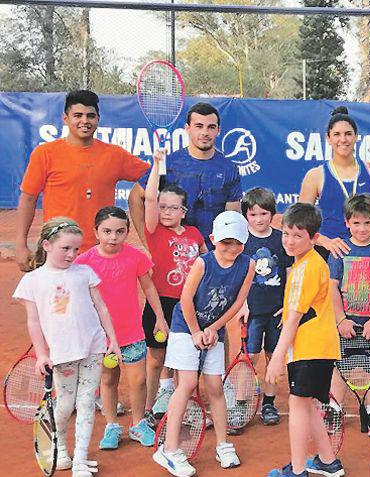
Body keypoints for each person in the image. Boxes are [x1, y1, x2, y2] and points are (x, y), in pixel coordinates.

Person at [13, 217, 121, 477]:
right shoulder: (33, 280)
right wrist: (41, 354)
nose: (72, 254)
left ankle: (81, 459)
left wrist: (113, 340)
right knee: (64, 405)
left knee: (86, 403)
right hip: (61, 353)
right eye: (66, 249)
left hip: (94, 346)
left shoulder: (85, 273)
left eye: (76, 249)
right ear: (47, 245)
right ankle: (60, 449)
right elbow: (33, 321)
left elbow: (102, 308)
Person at [153, 211, 255, 476]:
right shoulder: (202, 263)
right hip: (184, 328)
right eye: (225, 243)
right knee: (186, 384)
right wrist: (197, 331)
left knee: (214, 387)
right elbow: (186, 300)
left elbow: (236, 303)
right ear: (213, 239)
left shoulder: (248, 265)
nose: (232, 248)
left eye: (237, 243)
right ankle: (169, 449)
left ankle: (223, 444)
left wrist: (213, 329)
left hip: (213, 330)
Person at [16, 90, 150, 269]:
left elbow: (151, 178)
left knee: (101, 298)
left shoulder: (115, 155)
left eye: (90, 116)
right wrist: (21, 245)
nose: (85, 121)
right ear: (65, 118)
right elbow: (28, 199)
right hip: (57, 251)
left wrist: (162, 163)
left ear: (98, 119)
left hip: (100, 253)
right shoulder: (45, 154)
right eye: (77, 115)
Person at [75, 207, 167, 449]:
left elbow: (148, 288)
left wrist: (160, 316)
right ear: (96, 232)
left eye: (119, 232)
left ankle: (138, 425)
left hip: (132, 332)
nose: (112, 237)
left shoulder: (135, 256)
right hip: (102, 337)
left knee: (138, 380)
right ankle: (112, 426)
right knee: (108, 380)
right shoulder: (83, 262)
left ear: (127, 232)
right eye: (106, 231)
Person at [265, 203, 344, 477]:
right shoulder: (310, 263)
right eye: (286, 233)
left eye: (298, 235)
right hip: (319, 347)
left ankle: (298, 471)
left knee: (297, 406)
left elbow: (294, 319)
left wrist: (276, 358)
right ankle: (327, 461)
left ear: (314, 237)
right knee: (307, 403)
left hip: (309, 348)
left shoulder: (304, 268)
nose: (290, 240)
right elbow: (304, 306)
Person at [142, 151, 207, 419]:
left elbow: (206, 260)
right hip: (160, 303)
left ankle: (180, 404)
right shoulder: (154, 230)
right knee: (156, 357)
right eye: (162, 206)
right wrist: (157, 165)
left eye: (172, 207)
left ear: (184, 211)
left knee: (182, 360)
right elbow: (147, 197)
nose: (166, 211)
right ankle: (148, 407)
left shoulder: (194, 234)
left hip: (187, 306)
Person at [327, 194, 370, 438]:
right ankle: (334, 408)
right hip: (346, 322)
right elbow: (332, 286)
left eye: (367, 223)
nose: (362, 228)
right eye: (356, 223)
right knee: (339, 365)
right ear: (347, 223)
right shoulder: (340, 251)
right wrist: (340, 320)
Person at [128, 102, 242, 249]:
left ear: (218, 130)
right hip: (172, 252)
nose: (205, 133)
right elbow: (135, 197)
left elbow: (231, 217)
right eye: (199, 126)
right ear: (187, 129)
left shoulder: (229, 168)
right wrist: (147, 243)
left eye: (211, 127)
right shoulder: (169, 163)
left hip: (212, 254)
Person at [298, 106, 370, 260]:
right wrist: (326, 242)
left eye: (348, 134)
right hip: (329, 254)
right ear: (328, 138)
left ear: (356, 137)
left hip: (367, 252)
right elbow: (301, 221)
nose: (343, 140)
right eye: (337, 134)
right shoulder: (316, 176)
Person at [240, 187, 292, 426]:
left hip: (277, 311)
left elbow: (290, 273)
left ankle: (268, 403)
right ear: (246, 216)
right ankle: (242, 402)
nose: (259, 219)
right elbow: (238, 276)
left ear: (273, 214)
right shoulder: (242, 241)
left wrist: (289, 304)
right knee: (249, 356)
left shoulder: (281, 238)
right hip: (251, 311)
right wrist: (240, 305)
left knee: (273, 356)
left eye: (264, 214)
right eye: (253, 215)